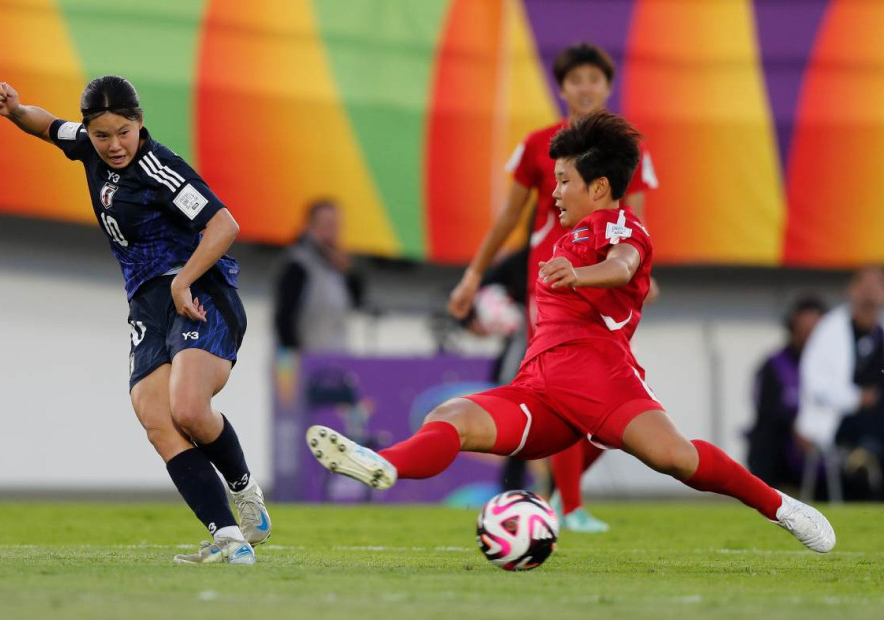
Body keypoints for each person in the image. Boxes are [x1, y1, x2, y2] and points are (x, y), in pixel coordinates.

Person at [307, 112, 835, 554]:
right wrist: (481, 290)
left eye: (563, 181)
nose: (554, 191)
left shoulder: (623, 226)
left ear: (599, 186)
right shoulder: (563, 236)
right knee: (451, 417)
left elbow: (624, 266)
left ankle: (781, 506)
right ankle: (383, 464)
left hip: (602, 379)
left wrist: (581, 275)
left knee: (679, 460)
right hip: (541, 385)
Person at [0, 77, 271, 564]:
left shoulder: (161, 169)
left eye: (124, 132)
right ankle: (229, 538)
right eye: (102, 135)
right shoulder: (87, 146)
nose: (114, 145)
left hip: (199, 289)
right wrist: (15, 111)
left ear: (139, 123)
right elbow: (48, 125)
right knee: (156, 418)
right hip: (146, 302)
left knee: (187, 408)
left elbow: (223, 225)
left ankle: (245, 493)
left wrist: (183, 281)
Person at [448, 43, 659, 532]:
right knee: (561, 387)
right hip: (555, 280)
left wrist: (646, 274)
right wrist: (473, 275)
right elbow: (509, 216)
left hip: (610, 282)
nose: (586, 87)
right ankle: (571, 504)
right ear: (561, 88)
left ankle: (557, 496)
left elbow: (635, 215)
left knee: (611, 392)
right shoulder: (540, 144)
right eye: (575, 79)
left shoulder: (628, 150)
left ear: (608, 87)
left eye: (595, 79)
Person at [798, 267, 884, 498]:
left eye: (875, 288)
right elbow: (816, 384)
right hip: (842, 420)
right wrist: (858, 398)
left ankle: (868, 452)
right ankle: (867, 452)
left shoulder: (880, 334)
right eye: (864, 288)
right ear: (852, 291)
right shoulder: (830, 331)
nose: (870, 295)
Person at [746, 296, 827, 490]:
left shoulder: (830, 369)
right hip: (783, 441)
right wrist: (796, 428)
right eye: (804, 329)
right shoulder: (775, 364)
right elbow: (766, 408)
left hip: (821, 439)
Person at [273, 199, 364, 352]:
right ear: (310, 227)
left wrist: (350, 272)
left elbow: (357, 302)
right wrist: (296, 355)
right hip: (305, 354)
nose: (332, 232)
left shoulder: (339, 267)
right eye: (326, 225)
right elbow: (284, 318)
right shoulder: (298, 264)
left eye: (336, 225)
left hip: (336, 353)